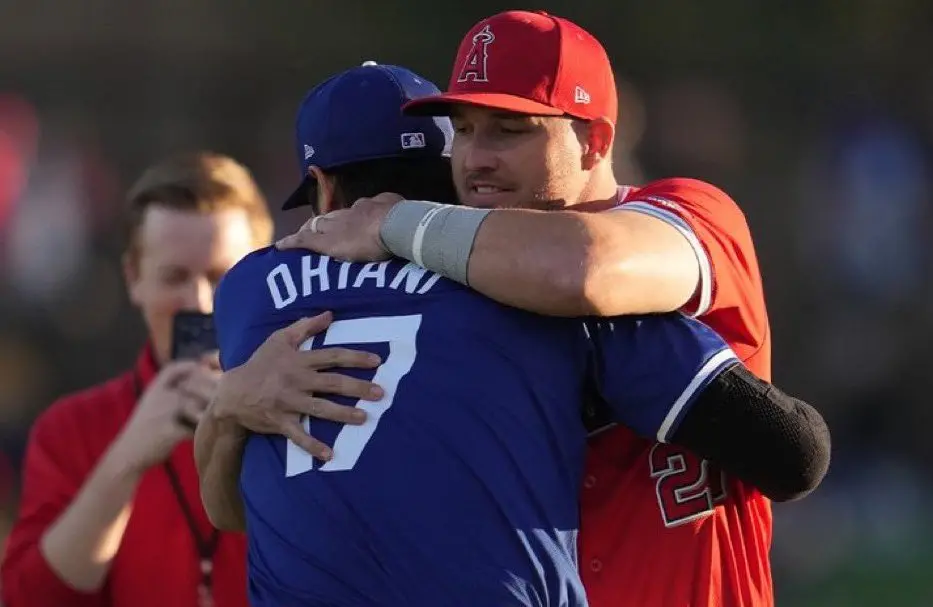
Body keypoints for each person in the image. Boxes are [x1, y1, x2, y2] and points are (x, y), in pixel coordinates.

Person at [197, 63, 829, 606]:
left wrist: (226, 408)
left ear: (324, 189)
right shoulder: (530, 290)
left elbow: (237, 513)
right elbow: (793, 451)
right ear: (450, 169)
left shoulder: (249, 290)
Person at [2, 152, 279, 607]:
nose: (200, 302)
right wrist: (125, 460)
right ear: (133, 278)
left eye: (222, 276)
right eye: (175, 277)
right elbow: (30, 598)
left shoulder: (299, 409)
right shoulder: (72, 428)